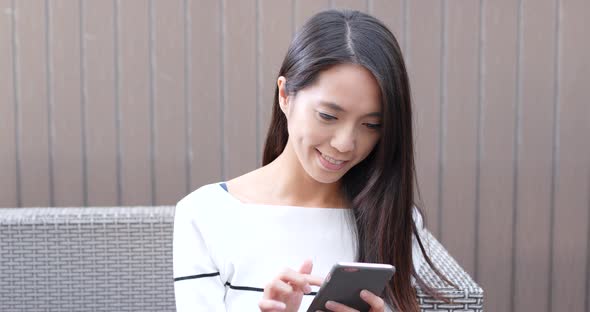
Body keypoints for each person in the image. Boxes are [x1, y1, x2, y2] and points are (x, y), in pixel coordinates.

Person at [173, 9, 445, 312]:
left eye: (371, 125)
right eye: (328, 116)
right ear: (285, 95)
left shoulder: (393, 219)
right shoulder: (206, 214)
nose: (345, 144)